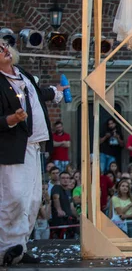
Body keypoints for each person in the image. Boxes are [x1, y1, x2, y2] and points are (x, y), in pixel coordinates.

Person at [0, 41, 67, 265]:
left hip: (33, 144)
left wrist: (55, 93)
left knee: (32, 199)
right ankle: (4, 248)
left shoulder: (22, 74)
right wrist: (12, 119)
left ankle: (18, 248)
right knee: (14, 198)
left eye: (4, 45)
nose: (4, 49)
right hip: (12, 146)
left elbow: (35, 95)